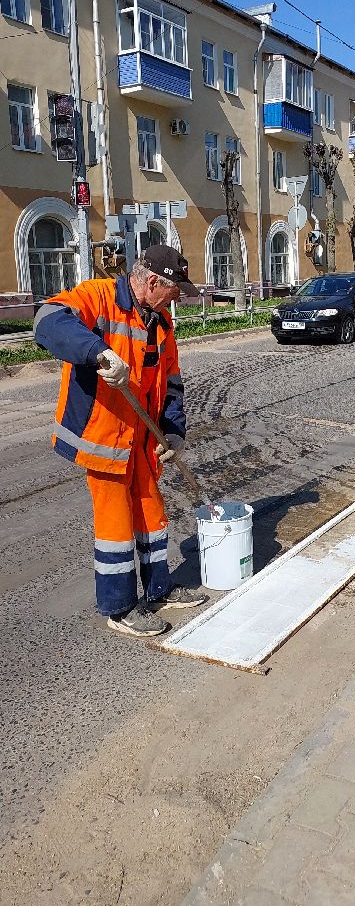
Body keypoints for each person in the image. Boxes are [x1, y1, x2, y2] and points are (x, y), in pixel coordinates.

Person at [34, 245, 208, 638]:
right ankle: (120, 607)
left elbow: (173, 383)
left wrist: (175, 433)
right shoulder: (98, 297)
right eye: (174, 291)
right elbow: (46, 320)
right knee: (115, 525)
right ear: (151, 282)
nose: (177, 299)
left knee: (151, 512)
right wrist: (96, 352)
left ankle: (159, 589)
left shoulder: (162, 323)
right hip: (105, 439)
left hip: (145, 441)